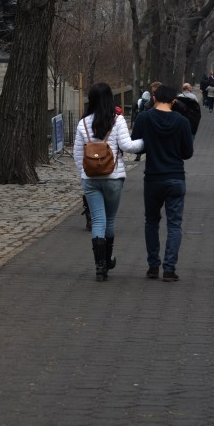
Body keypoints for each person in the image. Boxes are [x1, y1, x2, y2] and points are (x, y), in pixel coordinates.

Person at [73, 82, 144, 280]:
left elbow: (77, 154)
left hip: (91, 179)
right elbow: (127, 146)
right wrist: (145, 142)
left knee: (97, 220)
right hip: (113, 177)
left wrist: (84, 173)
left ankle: (99, 265)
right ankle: (108, 257)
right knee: (110, 220)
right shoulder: (117, 120)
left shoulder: (83, 123)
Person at [131, 83, 194, 282]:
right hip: (175, 177)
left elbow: (137, 146)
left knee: (151, 221)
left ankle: (152, 265)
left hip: (153, 177)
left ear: (154, 99)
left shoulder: (144, 118)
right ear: (174, 101)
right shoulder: (182, 121)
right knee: (174, 224)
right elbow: (188, 153)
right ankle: (169, 268)